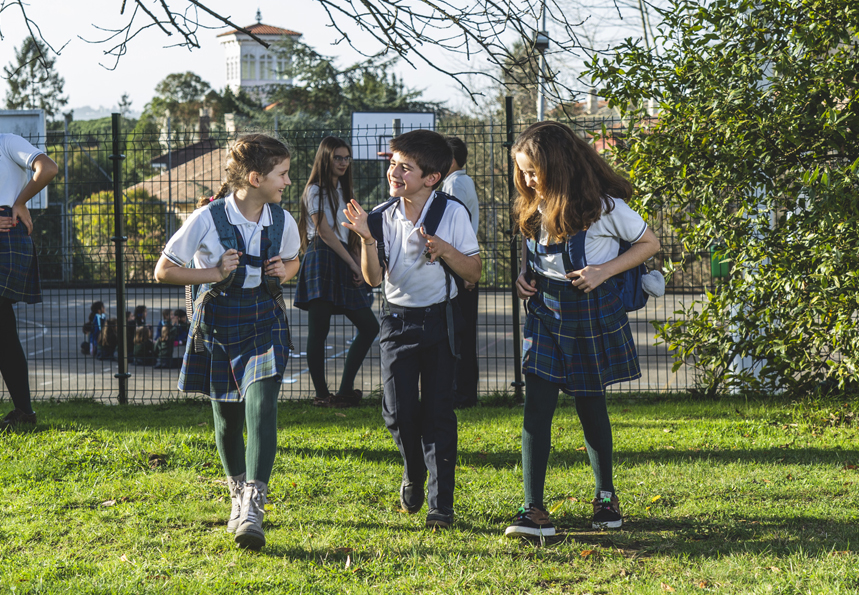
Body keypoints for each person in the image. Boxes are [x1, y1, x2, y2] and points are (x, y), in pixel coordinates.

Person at [504, 122, 660, 538]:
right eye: (522, 173)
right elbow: (535, 256)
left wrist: (604, 270)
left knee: (591, 404)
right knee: (536, 406)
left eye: (534, 172)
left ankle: (606, 496)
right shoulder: (531, 207)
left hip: (591, 311)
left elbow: (650, 243)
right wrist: (523, 278)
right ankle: (533, 509)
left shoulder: (604, 207)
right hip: (545, 312)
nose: (528, 181)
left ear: (558, 165)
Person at [154, 133, 300, 551]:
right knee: (227, 420)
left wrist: (286, 271)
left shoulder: (283, 221)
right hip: (219, 321)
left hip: (264, 318)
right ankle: (236, 492)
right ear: (255, 178)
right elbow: (164, 271)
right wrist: (214, 273)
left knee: (263, 403)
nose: (288, 181)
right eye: (282, 174)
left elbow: (294, 259)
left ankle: (254, 505)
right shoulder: (206, 219)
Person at [343, 129, 481, 530]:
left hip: (440, 321)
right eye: (393, 164)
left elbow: (474, 272)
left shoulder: (451, 212)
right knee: (398, 413)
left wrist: (445, 250)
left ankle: (441, 505)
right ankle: (414, 471)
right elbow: (373, 279)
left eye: (406, 167)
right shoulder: (381, 215)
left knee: (438, 413)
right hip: (397, 322)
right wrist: (367, 239)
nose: (394, 173)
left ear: (431, 177)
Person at [294, 137, 379, 408]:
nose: (343, 163)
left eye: (346, 158)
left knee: (370, 326)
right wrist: (353, 264)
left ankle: (344, 392)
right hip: (321, 257)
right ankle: (322, 395)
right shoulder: (315, 190)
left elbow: (349, 235)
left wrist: (359, 265)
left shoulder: (343, 191)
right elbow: (324, 232)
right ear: (325, 158)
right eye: (338, 158)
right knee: (318, 331)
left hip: (341, 256)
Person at [0, 133, 58, 429]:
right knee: (4, 331)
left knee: (3, 329)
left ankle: (24, 412)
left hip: (7, 232)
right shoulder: (6, 141)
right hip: (9, 234)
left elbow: (48, 167)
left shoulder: (6, 141)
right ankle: (24, 413)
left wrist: (19, 202)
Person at [441, 136, 481, 409]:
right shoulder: (461, 181)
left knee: (458, 333)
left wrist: (465, 271)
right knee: (461, 333)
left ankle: (462, 394)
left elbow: (455, 228)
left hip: (459, 265)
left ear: (451, 160)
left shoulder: (454, 184)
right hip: (462, 263)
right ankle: (463, 392)